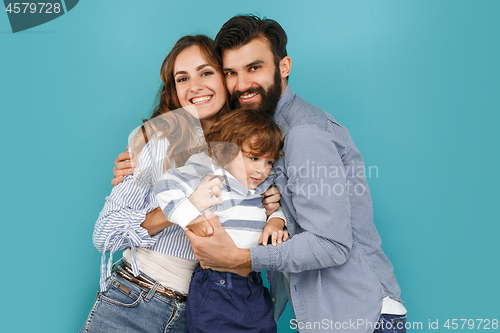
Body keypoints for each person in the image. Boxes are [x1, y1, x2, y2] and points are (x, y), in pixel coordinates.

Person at [182, 15, 408, 333]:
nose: (241, 84)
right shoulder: (262, 131)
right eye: (231, 72)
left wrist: (243, 258)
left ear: (284, 66)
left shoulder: (302, 133)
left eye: (254, 68)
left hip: (358, 316)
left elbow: (331, 244)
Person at [80, 34, 281, 333]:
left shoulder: (252, 150)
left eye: (206, 72)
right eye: (182, 78)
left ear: (226, 78)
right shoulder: (156, 141)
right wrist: (182, 208)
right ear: (174, 91)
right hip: (135, 301)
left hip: (207, 311)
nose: (194, 86)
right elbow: (104, 236)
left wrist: (272, 211)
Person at [154, 107, 287, 332]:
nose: (262, 170)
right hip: (216, 288)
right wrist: (192, 218)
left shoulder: (262, 187)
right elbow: (165, 187)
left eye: (269, 162)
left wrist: (276, 221)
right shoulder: (211, 174)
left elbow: (275, 208)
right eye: (254, 158)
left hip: (253, 286)